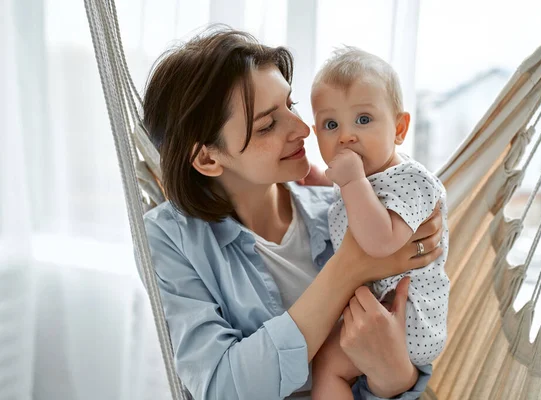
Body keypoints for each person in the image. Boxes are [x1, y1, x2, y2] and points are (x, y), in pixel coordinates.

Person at [142, 26, 444, 400]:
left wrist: (394, 376)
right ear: (207, 157)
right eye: (268, 124)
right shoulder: (171, 240)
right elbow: (223, 389)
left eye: (291, 105)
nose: (303, 129)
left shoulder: (337, 211)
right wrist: (350, 265)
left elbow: (394, 357)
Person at [308, 47, 450, 400]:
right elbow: (362, 203)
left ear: (399, 128)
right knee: (323, 363)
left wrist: (352, 181)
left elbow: (380, 241)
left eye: (364, 119)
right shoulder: (369, 180)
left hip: (408, 320)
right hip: (380, 310)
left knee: (328, 365)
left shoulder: (412, 180)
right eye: (331, 125)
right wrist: (326, 179)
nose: (346, 136)